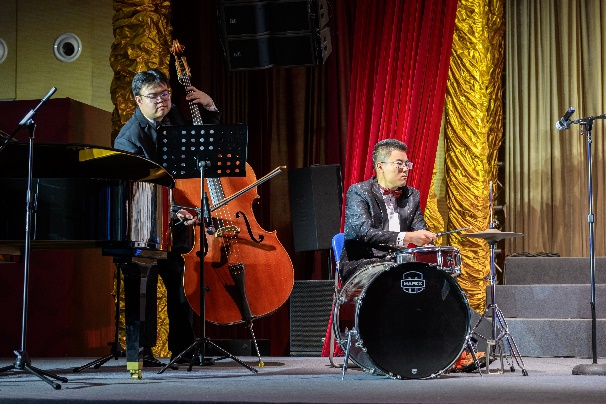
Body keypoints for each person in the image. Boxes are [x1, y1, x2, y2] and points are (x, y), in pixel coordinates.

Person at [114, 68, 221, 366]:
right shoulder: (129, 139)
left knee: (181, 287)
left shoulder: (173, 117)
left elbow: (203, 144)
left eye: (166, 93)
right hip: (144, 225)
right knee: (143, 289)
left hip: (177, 225)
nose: (162, 100)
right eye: (154, 96)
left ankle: (183, 349)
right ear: (138, 100)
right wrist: (175, 210)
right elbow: (140, 189)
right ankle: (141, 353)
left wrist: (210, 108)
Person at [339, 138, 436, 283]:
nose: (405, 169)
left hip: (398, 262)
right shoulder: (359, 192)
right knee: (397, 275)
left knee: (431, 278)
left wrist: (427, 244)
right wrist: (407, 237)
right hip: (363, 263)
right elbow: (363, 232)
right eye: (399, 164)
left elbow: (420, 228)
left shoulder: (411, 195)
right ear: (380, 167)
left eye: (407, 164)